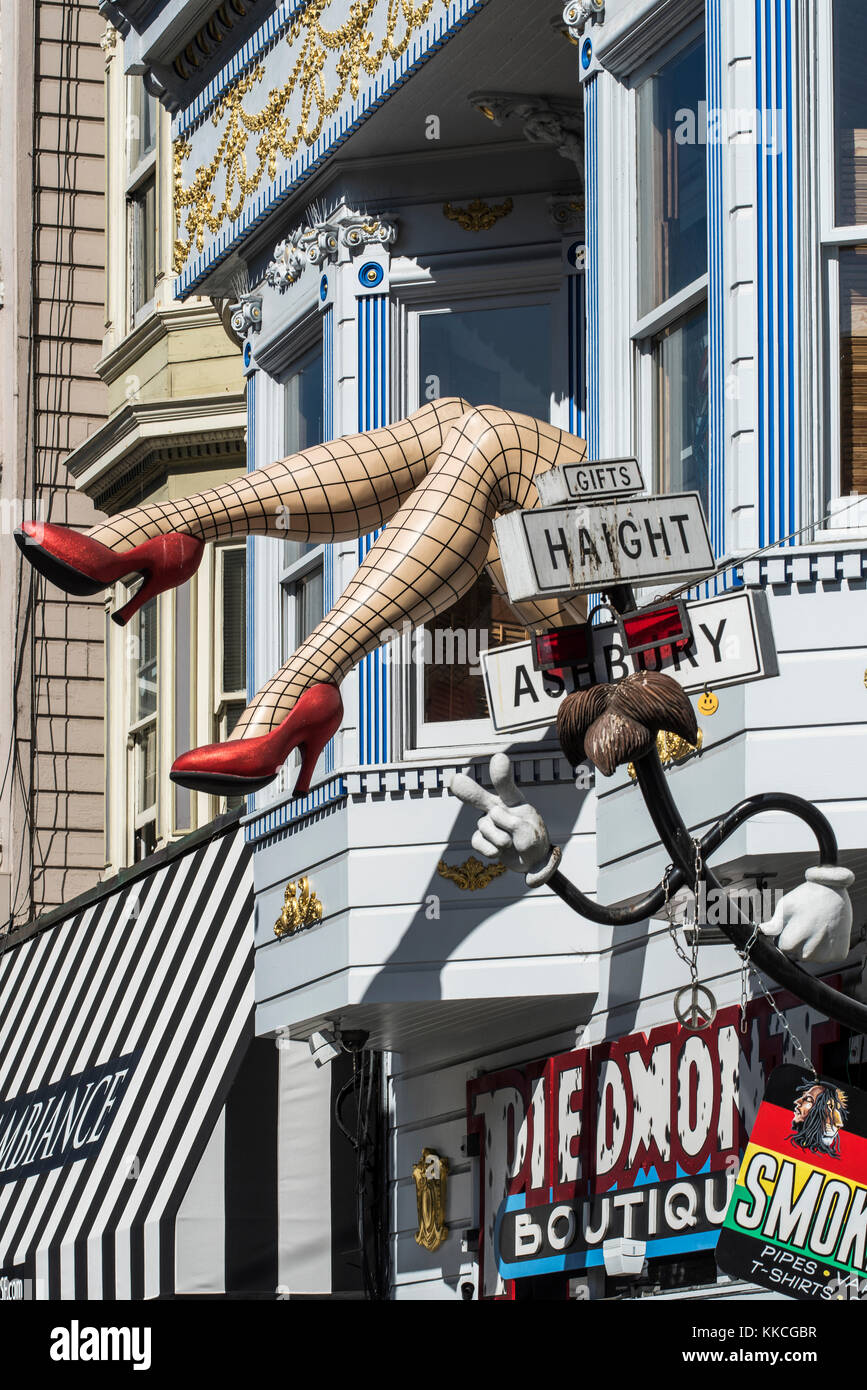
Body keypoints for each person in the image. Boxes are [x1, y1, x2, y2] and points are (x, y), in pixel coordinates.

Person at [16, 400, 587, 795]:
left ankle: (166, 537)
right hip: (582, 613)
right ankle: (177, 531)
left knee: (485, 439)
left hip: (641, 606)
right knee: (449, 420)